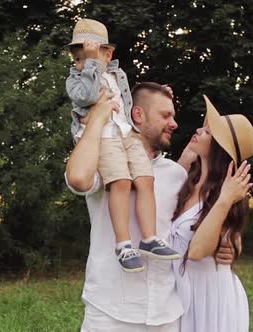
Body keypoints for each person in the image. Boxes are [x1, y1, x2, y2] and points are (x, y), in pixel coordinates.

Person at [66, 82, 245, 331]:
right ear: (138, 115)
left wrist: (230, 243)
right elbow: (77, 178)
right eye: (165, 115)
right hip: (111, 313)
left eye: (173, 115)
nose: (174, 124)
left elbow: (196, 223)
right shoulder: (106, 162)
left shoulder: (177, 175)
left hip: (167, 313)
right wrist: (97, 119)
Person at [65, 18, 179, 273]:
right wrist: (92, 65)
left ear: (109, 54)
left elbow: (128, 102)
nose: (82, 63)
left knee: (145, 178)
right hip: (104, 136)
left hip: (125, 132)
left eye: (90, 56)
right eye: (79, 59)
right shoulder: (77, 79)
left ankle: (149, 238)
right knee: (121, 182)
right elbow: (87, 96)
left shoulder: (117, 74)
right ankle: (124, 244)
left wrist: (155, 92)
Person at [170, 95, 253, 331]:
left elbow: (197, 251)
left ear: (218, 148)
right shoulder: (188, 183)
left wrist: (225, 200)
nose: (198, 130)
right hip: (182, 293)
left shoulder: (230, 195)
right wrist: (186, 158)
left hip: (212, 299)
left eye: (207, 131)